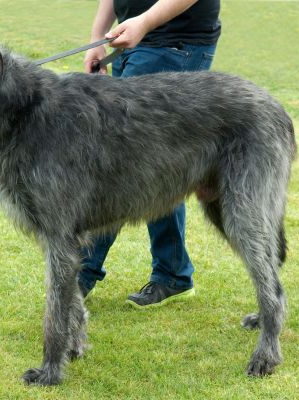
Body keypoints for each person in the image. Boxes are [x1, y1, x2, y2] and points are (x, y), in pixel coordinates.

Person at [79, 0, 221, 307]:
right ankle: (173, 274)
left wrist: (144, 22)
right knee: (156, 165)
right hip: (133, 40)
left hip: (174, 44)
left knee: (120, 166)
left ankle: (79, 274)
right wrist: (98, 37)